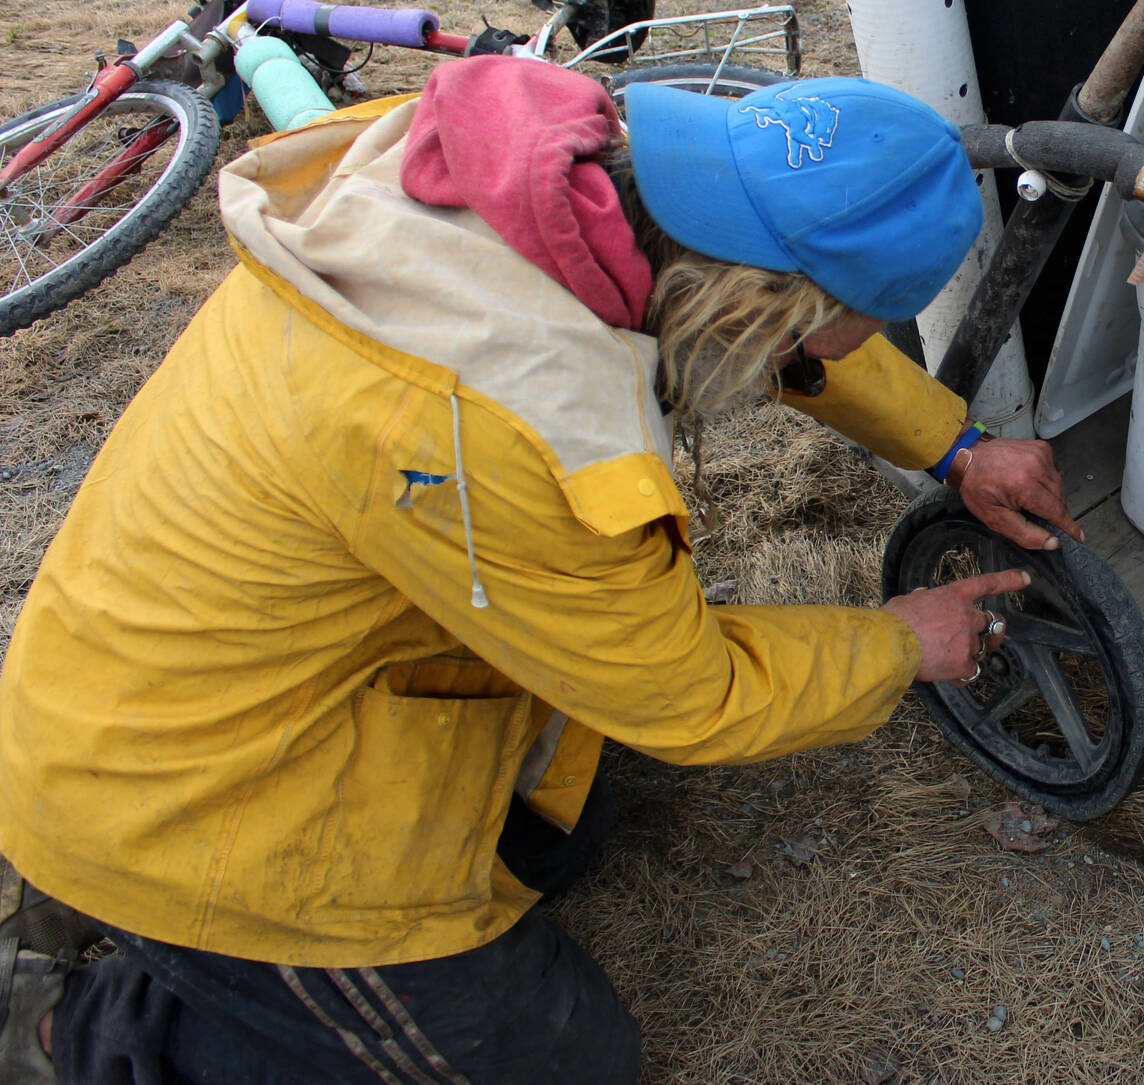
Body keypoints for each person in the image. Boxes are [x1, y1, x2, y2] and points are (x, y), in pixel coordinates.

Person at [0, 56, 1082, 1083]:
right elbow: (691, 697)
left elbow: (768, 326)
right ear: (789, 311)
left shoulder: (563, 172)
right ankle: (72, 1026)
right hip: (186, 801)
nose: (838, 353)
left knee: (564, 835)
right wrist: (902, 642)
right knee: (563, 1061)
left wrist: (954, 446)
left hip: (181, 664)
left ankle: (125, 919)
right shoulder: (520, 431)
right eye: (854, 331)